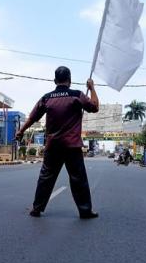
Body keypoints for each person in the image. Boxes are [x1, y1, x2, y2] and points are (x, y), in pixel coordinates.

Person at [16, 66, 99, 219]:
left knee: (46, 177)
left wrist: (21, 131)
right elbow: (95, 107)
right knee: (78, 179)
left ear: (55, 81)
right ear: (70, 80)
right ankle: (85, 210)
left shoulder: (47, 98)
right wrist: (92, 88)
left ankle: (37, 208)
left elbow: (33, 117)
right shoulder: (77, 95)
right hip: (72, 146)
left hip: (53, 146)